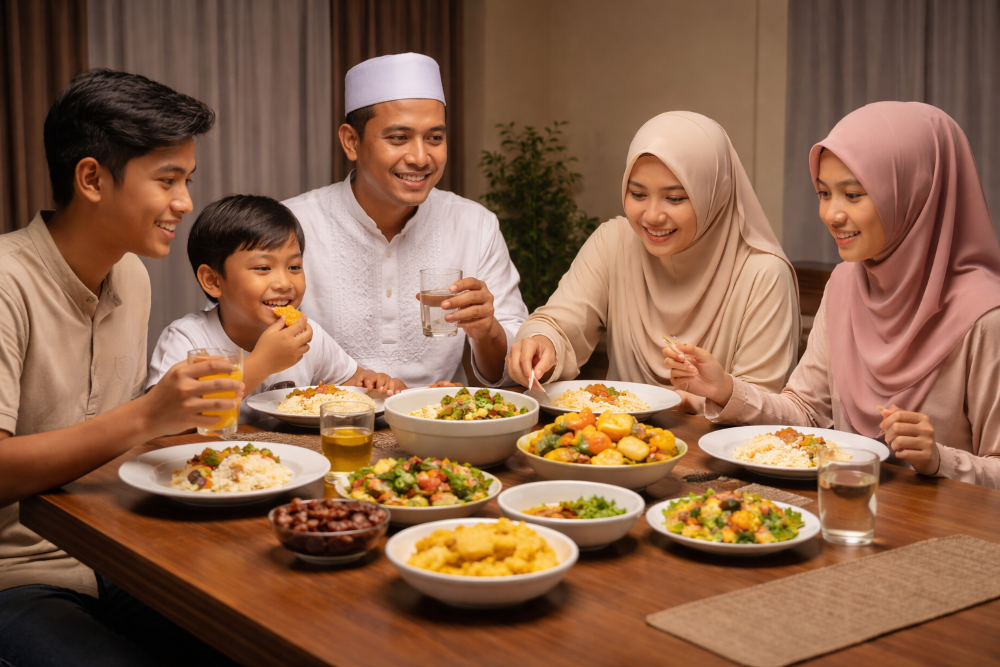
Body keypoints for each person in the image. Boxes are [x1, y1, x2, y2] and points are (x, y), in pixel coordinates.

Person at [0, 70, 243, 666]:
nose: (185, 203)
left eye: (187, 180)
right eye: (168, 181)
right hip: (15, 573)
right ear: (91, 178)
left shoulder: (131, 277)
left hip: (111, 552)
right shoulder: (7, 282)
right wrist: (148, 416)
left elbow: (108, 445)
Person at [665, 102, 1000, 487]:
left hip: (946, 538)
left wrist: (941, 459)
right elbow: (807, 413)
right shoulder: (845, 285)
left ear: (915, 195)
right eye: (824, 193)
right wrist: (724, 388)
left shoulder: (985, 318)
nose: (831, 214)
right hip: (846, 513)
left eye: (853, 195)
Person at [509, 111, 800, 414]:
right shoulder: (615, 242)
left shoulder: (763, 274)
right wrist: (542, 341)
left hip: (714, 455)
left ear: (716, 194)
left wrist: (692, 399)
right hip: (610, 450)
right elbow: (559, 323)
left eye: (674, 198)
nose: (652, 216)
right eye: (638, 194)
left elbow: (765, 403)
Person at [283, 53, 528, 388]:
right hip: (318, 428)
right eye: (399, 138)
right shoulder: (292, 225)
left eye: (435, 138)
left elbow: (511, 368)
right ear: (351, 142)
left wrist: (488, 331)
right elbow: (249, 336)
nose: (420, 158)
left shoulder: (474, 224)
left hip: (438, 425)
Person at [146, 194, 406, 422]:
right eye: (263, 268)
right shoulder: (188, 339)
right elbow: (163, 420)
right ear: (213, 281)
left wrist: (375, 385)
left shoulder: (305, 334)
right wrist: (262, 363)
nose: (284, 283)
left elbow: (351, 384)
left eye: (294, 267)